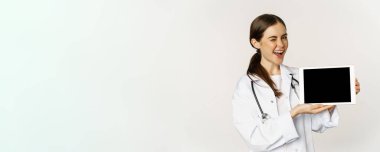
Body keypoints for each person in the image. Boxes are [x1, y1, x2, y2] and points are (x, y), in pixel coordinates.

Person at [232, 14, 361, 152]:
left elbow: (318, 124)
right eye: (273, 39)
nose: (281, 44)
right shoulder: (245, 86)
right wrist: (294, 112)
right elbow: (254, 139)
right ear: (255, 42)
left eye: (284, 37)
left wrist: (339, 93)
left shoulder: (299, 76)